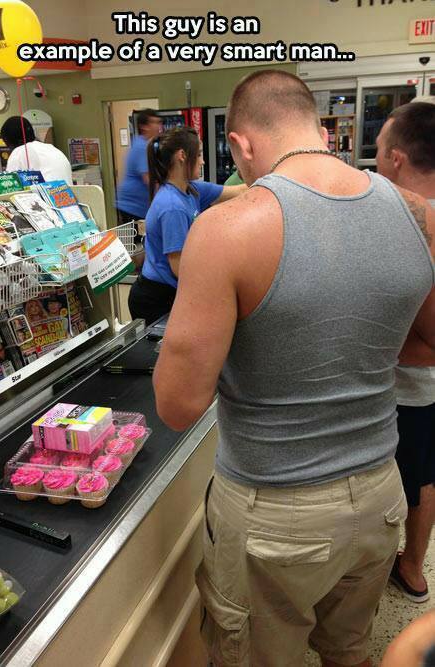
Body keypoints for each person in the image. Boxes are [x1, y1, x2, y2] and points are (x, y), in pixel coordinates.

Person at [153, 70, 435, 667]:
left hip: (272, 508)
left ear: (240, 145)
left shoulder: (225, 231)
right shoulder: (416, 214)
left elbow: (178, 405)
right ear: (320, 130)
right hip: (379, 492)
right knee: (349, 651)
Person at [376, 100, 435, 604]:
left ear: (396, 158)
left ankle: (409, 569)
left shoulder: (416, 223)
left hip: (411, 384)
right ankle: (412, 564)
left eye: (378, 150)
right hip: (420, 385)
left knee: (409, 482)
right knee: (426, 474)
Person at [127, 127, 246, 325]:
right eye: (198, 154)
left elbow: (239, 191)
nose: (202, 161)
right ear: (182, 156)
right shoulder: (172, 206)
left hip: (169, 291)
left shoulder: (191, 190)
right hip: (156, 298)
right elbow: (180, 269)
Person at [116, 109, 163, 224]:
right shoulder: (142, 146)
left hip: (136, 205)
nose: (158, 126)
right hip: (132, 207)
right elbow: (149, 180)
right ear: (144, 127)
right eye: (154, 122)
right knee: (136, 235)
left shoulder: (144, 144)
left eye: (159, 122)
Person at [1, 117, 73, 184]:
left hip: (49, 192)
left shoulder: (19, 151)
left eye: (7, 143)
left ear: (13, 141)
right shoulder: (51, 148)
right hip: (68, 192)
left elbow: (9, 185)